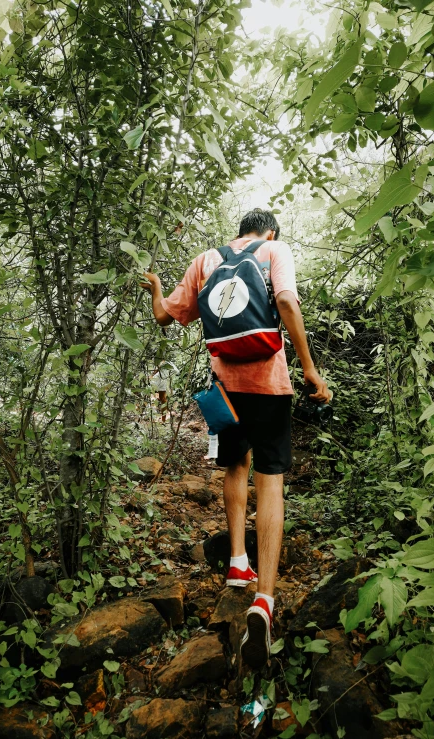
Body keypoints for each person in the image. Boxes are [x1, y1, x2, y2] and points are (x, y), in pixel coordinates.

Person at [141, 208, 330, 669]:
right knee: (270, 479)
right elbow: (286, 303)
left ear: (239, 229)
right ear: (269, 231)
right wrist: (309, 368)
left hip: (224, 390)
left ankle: (236, 563)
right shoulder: (274, 250)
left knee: (234, 467)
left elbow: (166, 317)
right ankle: (262, 600)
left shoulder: (206, 259)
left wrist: (158, 289)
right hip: (268, 386)